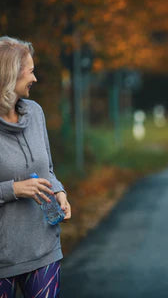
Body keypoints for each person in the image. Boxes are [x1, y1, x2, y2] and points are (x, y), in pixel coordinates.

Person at [0, 36, 71, 298]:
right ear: (9, 75)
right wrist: (14, 189)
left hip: (44, 249)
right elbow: (19, 187)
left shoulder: (35, 113)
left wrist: (59, 191)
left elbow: (47, 169)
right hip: (3, 259)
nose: (35, 79)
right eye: (30, 72)